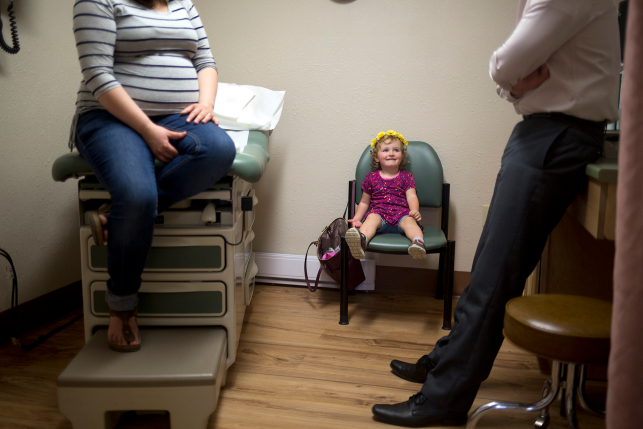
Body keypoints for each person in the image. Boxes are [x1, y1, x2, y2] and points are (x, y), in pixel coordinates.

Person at [372, 0, 620, 426]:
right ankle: (445, 361)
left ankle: (443, 400)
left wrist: (510, 79)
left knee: (493, 276)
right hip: (544, 133)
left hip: (556, 133)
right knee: (488, 264)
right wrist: (516, 83)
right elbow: (514, 74)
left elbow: (507, 62)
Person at [71, 0, 236, 352]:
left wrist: (206, 104)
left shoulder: (183, 5)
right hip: (108, 118)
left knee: (220, 149)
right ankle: (122, 304)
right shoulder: (98, 1)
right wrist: (146, 129)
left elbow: (204, 61)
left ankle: (118, 219)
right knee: (137, 196)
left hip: (176, 115)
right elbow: (97, 73)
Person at [346, 130, 427, 261]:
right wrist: (356, 219)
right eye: (385, 150)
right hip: (379, 214)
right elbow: (364, 202)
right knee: (371, 219)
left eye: (396, 150)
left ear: (402, 156)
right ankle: (362, 242)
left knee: (411, 222)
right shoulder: (371, 178)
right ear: (376, 157)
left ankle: (418, 243)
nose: (391, 153)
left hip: (402, 215)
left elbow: (411, 196)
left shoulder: (406, 177)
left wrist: (414, 211)